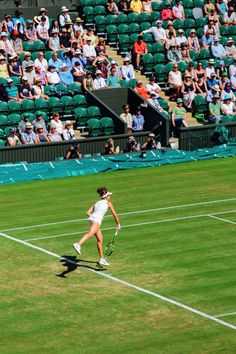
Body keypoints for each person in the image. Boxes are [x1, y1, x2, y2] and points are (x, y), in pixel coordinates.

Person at [73, 187, 121, 266]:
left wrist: (97, 216)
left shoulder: (97, 203)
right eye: (109, 195)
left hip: (92, 219)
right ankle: (78, 244)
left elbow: (88, 213)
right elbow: (114, 214)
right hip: (96, 220)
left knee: (100, 240)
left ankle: (101, 259)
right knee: (91, 233)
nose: (110, 197)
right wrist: (118, 224)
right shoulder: (108, 203)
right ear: (106, 196)